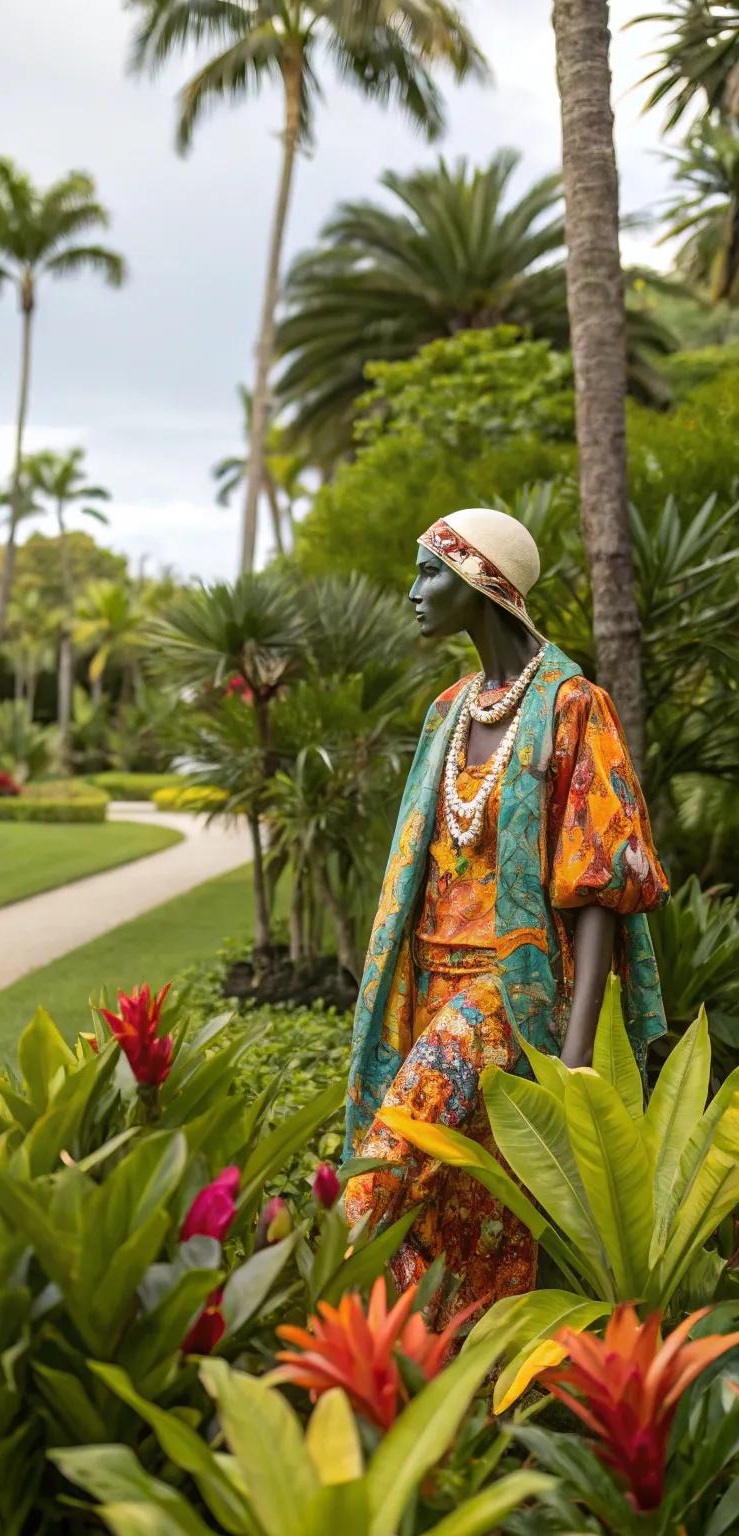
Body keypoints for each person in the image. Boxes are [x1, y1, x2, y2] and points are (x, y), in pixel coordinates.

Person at [344, 508, 668, 1320]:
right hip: (428, 984)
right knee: (469, 1203)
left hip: (507, 994)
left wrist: (579, 1046)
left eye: (430, 575)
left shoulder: (571, 706)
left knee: (387, 1155)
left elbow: (598, 882)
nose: (413, 592)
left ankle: (321, 1305)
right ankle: (456, 1384)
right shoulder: (449, 709)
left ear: (482, 584)